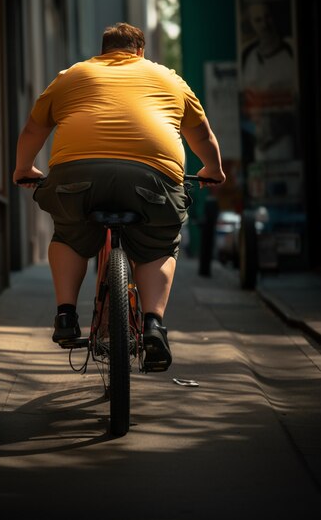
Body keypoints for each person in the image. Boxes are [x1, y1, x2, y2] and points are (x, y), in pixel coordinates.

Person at [13, 23, 225, 371]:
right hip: (152, 179)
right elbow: (202, 136)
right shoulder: (170, 79)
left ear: (103, 51)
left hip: (77, 177)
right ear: (140, 51)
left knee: (69, 234)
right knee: (159, 243)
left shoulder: (72, 75)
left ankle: (66, 314)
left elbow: (33, 129)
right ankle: (154, 324)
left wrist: (24, 168)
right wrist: (212, 170)